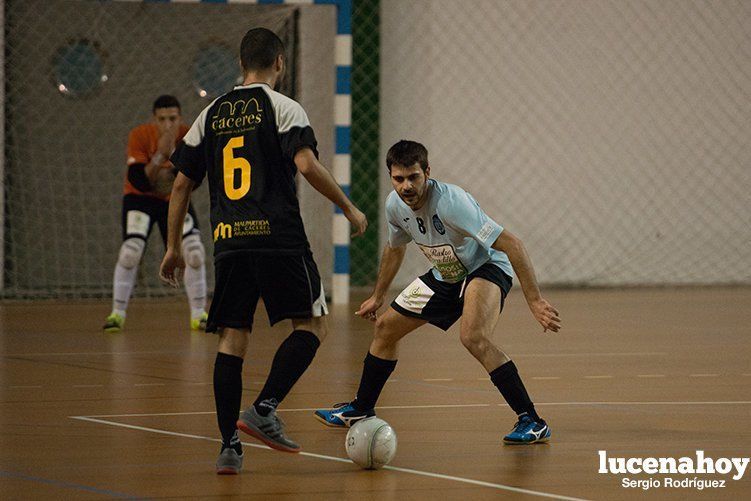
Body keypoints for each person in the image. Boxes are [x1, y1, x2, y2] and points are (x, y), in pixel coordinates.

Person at [160, 28, 367, 475]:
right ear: (280, 63)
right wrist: (347, 206)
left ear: (240, 64)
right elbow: (306, 164)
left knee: (233, 338)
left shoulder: (211, 113)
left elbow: (180, 183)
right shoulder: (283, 108)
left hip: (230, 242)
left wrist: (173, 246)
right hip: (278, 238)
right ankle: (264, 408)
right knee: (314, 324)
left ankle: (229, 447)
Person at [315, 140, 561, 445]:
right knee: (385, 328)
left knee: (473, 336)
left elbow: (512, 245)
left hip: (484, 268)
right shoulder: (395, 205)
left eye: (413, 177)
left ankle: (532, 421)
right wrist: (378, 296)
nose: (406, 186)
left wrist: (534, 301)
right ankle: (361, 409)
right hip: (445, 275)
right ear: (391, 177)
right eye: (399, 179)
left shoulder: (452, 203)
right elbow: (394, 249)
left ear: (427, 172)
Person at [103, 95, 208, 333]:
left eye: (172, 119)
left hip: (173, 200)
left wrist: (166, 172)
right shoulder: (139, 135)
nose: (168, 125)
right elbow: (139, 180)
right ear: (154, 119)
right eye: (162, 119)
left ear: (180, 117)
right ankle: (116, 314)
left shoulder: (188, 136)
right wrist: (160, 155)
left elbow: (195, 179)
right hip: (140, 199)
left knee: (194, 251)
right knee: (131, 252)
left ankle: (199, 314)